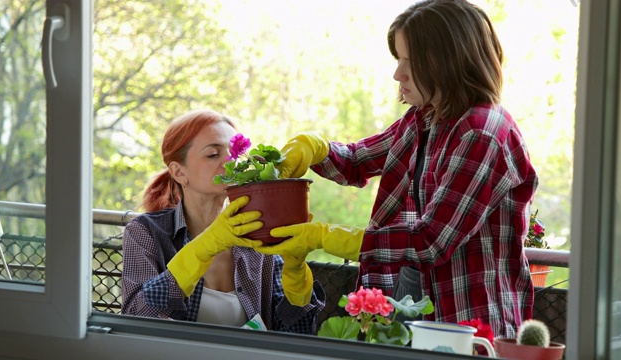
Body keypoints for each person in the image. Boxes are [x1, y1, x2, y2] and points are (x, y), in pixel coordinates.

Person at [255, 0, 538, 339]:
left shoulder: (481, 133)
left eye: (411, 61)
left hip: (467, 324)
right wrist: (314, 148)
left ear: (448, 62)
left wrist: (327, 237)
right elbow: (357, 161)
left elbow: (430, 241)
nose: (397, 74)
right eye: (398, 59)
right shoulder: (424, 120)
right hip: (419, 315)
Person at [121, 109, 325, 334]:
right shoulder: (146, 233)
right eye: (213, 154)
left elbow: (298, 334)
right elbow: (136, 318)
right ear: (179, 172)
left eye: (234, 153)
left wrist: (296, 276)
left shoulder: (258, 235)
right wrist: (204, 248)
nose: (230, 162)